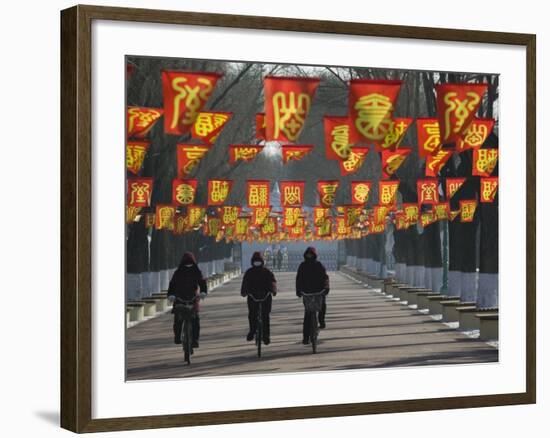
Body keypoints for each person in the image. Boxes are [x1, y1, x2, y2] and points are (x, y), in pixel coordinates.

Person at [167, 252, 207, 348]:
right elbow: (172, 284)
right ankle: (178, 337)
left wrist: (203, 292)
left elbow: (202, 283)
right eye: (186, 263)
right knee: (179, 319)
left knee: (195, 320)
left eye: (190, 263)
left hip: (192, 299)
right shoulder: (179, 272)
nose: (188, 265)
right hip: (180, 299)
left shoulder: (196, 271)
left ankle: (195, 340)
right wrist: (171, 295)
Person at [240, 251, 277, 345]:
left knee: (265, 316)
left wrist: (273, 290)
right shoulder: (249, 272)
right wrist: (244, 292)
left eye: (259, 262)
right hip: (253, 297)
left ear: (262, 262)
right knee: (252, 315)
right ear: (252, 262)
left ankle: (266, 336)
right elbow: (245, 283)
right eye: (255, 262)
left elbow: (272, 282)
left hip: (265, 297)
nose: (257, 263)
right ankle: (252, 332)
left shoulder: (267, 272)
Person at [295, 246, 330, 344]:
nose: (309, 256)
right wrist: (298, 291)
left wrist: (326, 288)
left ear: (314, 255)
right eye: (308, 254)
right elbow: (299, 280)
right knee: (308, 314)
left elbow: (325, 278)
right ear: (305, 255)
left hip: (319, 292)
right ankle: (306, 337)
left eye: (311, 254)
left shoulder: (319, 265)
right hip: (307, 294)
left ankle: (321, 321)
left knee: (322, 306)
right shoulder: (302, 266)